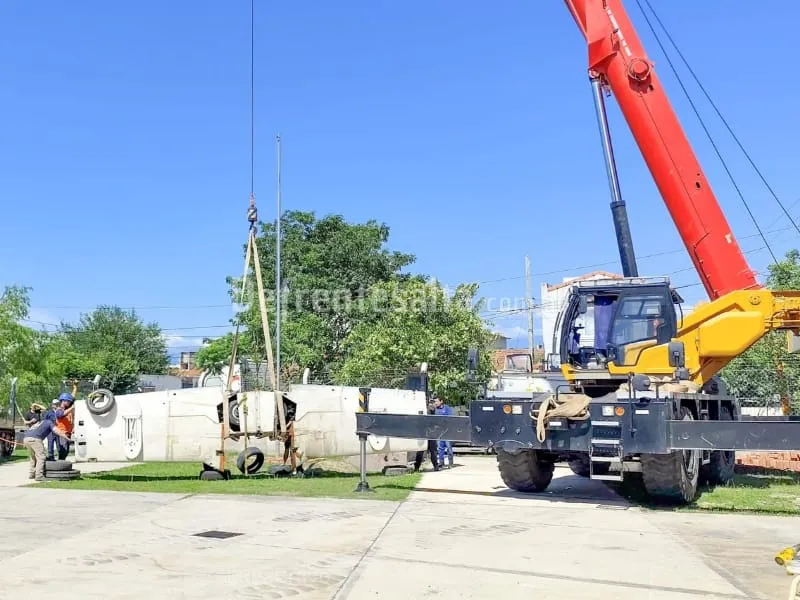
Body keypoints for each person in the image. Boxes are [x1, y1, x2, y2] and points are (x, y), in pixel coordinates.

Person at [22, 409, 71, 481]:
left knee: (33, 457)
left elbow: (31, 429)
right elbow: (57, 431)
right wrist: (67, 438)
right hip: (35, 439)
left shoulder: (38, 423)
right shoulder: (49, 422)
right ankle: (39, 476)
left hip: (26, 438)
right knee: (41, 457)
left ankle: (32, 474)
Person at [433, 394, 454, 468]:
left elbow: (451, 419)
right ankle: (441, 462)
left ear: (441, 401)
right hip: (439, 432)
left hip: (447, 431)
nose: (435, 403)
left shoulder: (447, 408)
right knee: (440, 448)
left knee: (449, 447)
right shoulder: (435, 410)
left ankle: (450, 463)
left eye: (437, 401)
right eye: (435, 401)